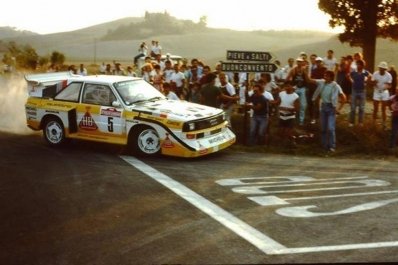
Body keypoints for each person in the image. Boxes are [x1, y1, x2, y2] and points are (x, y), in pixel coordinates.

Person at [312, 70, 346, 152]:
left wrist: (339, 109)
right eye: (325, 75)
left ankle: (332, 146)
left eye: (327, 76)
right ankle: (324, 146)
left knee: (330, 128)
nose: (325, 77)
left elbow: (343, 98)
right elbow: (310, 80)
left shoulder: (335, 86)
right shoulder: (322, 83)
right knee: (323, 128)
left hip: (331, 108)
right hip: (323, 107)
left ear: (331, 77)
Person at [286, 57, 310, 126]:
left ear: (302, 62)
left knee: (303, 105)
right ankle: (292, 119)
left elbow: (307, 79)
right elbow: (287, 78)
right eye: (298, 61)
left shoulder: (304, 70)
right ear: (297, 62)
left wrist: (308, 86)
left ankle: (301, 121)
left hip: (302, 88)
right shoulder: (293, 70)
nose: (299, 63)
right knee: (292, 103)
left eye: (300, 62)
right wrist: (287, 86)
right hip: (295, 88)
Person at [347, 59, 371, 127]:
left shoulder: (365, 72)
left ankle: (360, 122)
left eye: (360, 64)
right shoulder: (354, 72)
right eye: (357, 64)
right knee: (353, 107)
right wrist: (352, 81)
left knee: (361, 108)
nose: (358, 65)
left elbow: (370, 76)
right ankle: (351, 122)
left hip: (362, 91)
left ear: (363, 65)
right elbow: (348, 75)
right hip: (354, 90)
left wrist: (366, 82)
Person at [277, 80, 300, 146]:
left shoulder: (295, 96)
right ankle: (283, 144)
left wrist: (286, 108)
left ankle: (293, 142)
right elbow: (277, 102)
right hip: (282, 116)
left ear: (292, 86)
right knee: (281, 132)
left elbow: (297, 109)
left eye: (288, 86)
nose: (287, 88)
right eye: (285, 86)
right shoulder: (281, 94)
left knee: (288, 132)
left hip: (290, 117)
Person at [371, 61, 392, 128]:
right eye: (380, 68)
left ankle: (384, 123)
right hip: (376, 91)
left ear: (385, 69)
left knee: (383, 108)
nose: (381, 69)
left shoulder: (388, 75)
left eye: (383, 68)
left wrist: (387, 86)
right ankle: (373, 123)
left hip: (384, 92)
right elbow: (372, 82)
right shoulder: (375, 73)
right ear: (379, 68)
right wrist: (374, 83)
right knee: (375, 108)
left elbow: (390, 85)